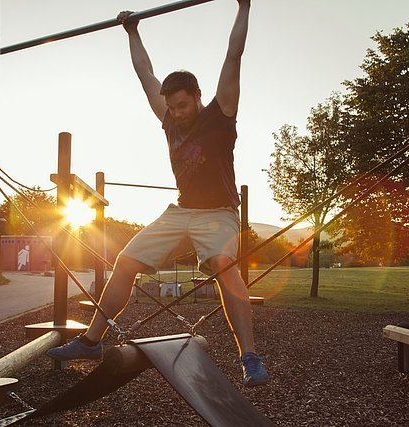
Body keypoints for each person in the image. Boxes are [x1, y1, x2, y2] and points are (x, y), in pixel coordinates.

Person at [48, 0, 269, 387]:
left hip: (219, 213)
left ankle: (248, 356)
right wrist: (133, 32)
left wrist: (243, 6)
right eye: (172, 106)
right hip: (180, 211)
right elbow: (143, 73)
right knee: (125, 261)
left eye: (183, 105)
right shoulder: (168, 117)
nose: (178, 113)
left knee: (223, 264)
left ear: (197, 96)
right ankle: (91, 341)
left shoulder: (221, 114)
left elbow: (235, 54)